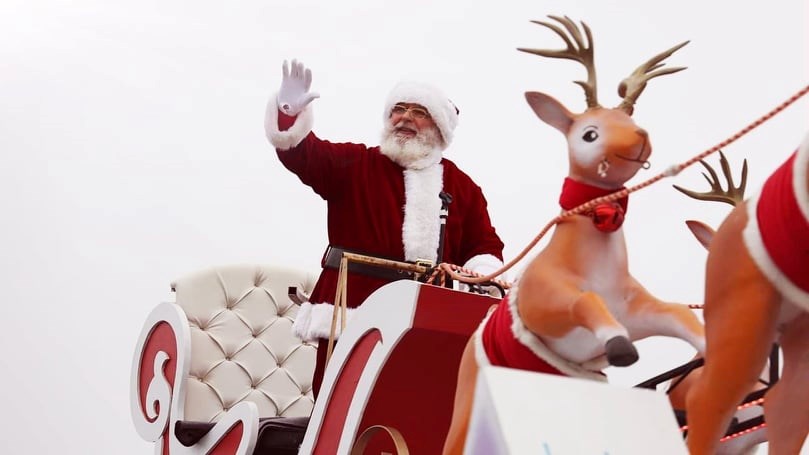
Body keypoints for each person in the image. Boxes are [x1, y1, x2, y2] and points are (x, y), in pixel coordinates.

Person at [264, 59, 506, 397]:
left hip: (427, 325)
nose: (405, 118)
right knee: (340, 411)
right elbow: (302, 153)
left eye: (418, 112)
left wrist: (484, 276)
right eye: (399, 109)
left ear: (437, 127)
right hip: (350, 318)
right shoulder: (355, 165)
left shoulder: (462, 187)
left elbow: (483, 247)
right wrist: (288, 111)